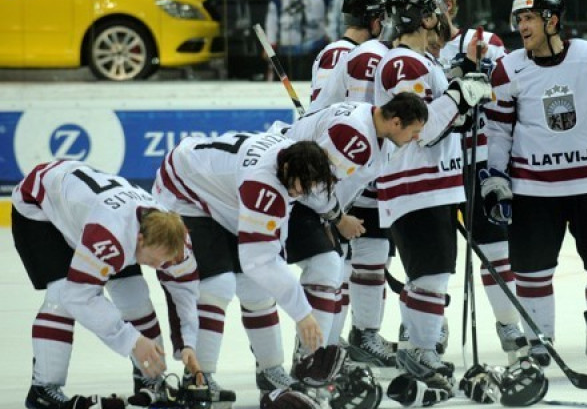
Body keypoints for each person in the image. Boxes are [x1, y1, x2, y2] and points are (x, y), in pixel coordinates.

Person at [482, 0, 587, 374]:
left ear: (552, 21)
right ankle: (540, 344)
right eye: (518, 21)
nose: (521, 27)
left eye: (529, 19)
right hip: (535, 190)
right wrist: (496, 178)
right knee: (533, 271)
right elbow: (499, 131)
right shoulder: (508, 68)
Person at [152, 135, 341, 397]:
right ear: (286, 169)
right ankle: (198, 376)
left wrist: (337, 216)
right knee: (217, 284)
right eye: (300, 186)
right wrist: (303, 314)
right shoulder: (262, 184)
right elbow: (259, 260)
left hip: (223, 191)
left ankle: (269, 370)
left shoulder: (294, 158)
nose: (300, 193)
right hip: (184, 193)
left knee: (256, 289)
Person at [373, 0, 491, 394]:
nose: (441, 19)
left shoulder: (422, 62)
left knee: (433, 273)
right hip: (415, 186)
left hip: (432, 185)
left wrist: (460, 88)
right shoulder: (404, 64)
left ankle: (419, 347)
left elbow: (443, 120)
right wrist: (460, 95)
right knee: (431, 275)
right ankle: (420, 350)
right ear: (426, 18)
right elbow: (420, 127)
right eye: (436, 13)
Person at [11, 160, 201, 408]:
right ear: (139, 240)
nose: (158, 266)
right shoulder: (111, 235)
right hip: (38, 208)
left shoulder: (176, 241)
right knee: (60, 295)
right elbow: (78, 297)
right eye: (154, 260)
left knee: (134, 294)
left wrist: (188, 343)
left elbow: (185, 291)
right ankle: (43, 389)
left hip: (92, 209)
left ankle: (150, 378)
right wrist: (131, 341)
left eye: (164, 261)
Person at [419, 0, 528, 361]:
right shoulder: (411, 50)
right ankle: (430, 327)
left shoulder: (481, 42)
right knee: (434, 258)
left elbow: (501, 99)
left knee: (496, 249)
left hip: (475, 161)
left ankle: (509, 324)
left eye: (437, 2)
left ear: (450, 5)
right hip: (432, 167)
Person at [278, 93, 427, 368]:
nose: (416, 138)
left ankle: (324, 353)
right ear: (396, 122)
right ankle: (311, 359)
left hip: (310, 201)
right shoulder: (355, 137)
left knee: (334, 271)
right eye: (414, 131)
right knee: (326, 269)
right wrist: (338, 218)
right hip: (292, 196)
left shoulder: (371, 122)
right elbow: (311, 185)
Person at [311, 0, 385, 103]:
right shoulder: (338, 52)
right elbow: (324, 103)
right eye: (381, 18)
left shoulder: (353, 50)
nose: (382, 23)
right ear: (372, 21)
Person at [265, 0, 331, 81]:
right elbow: (272, 18)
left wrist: (331, 37)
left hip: (314, 48)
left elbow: (331, 15)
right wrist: (271, 43)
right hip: (287, 50)